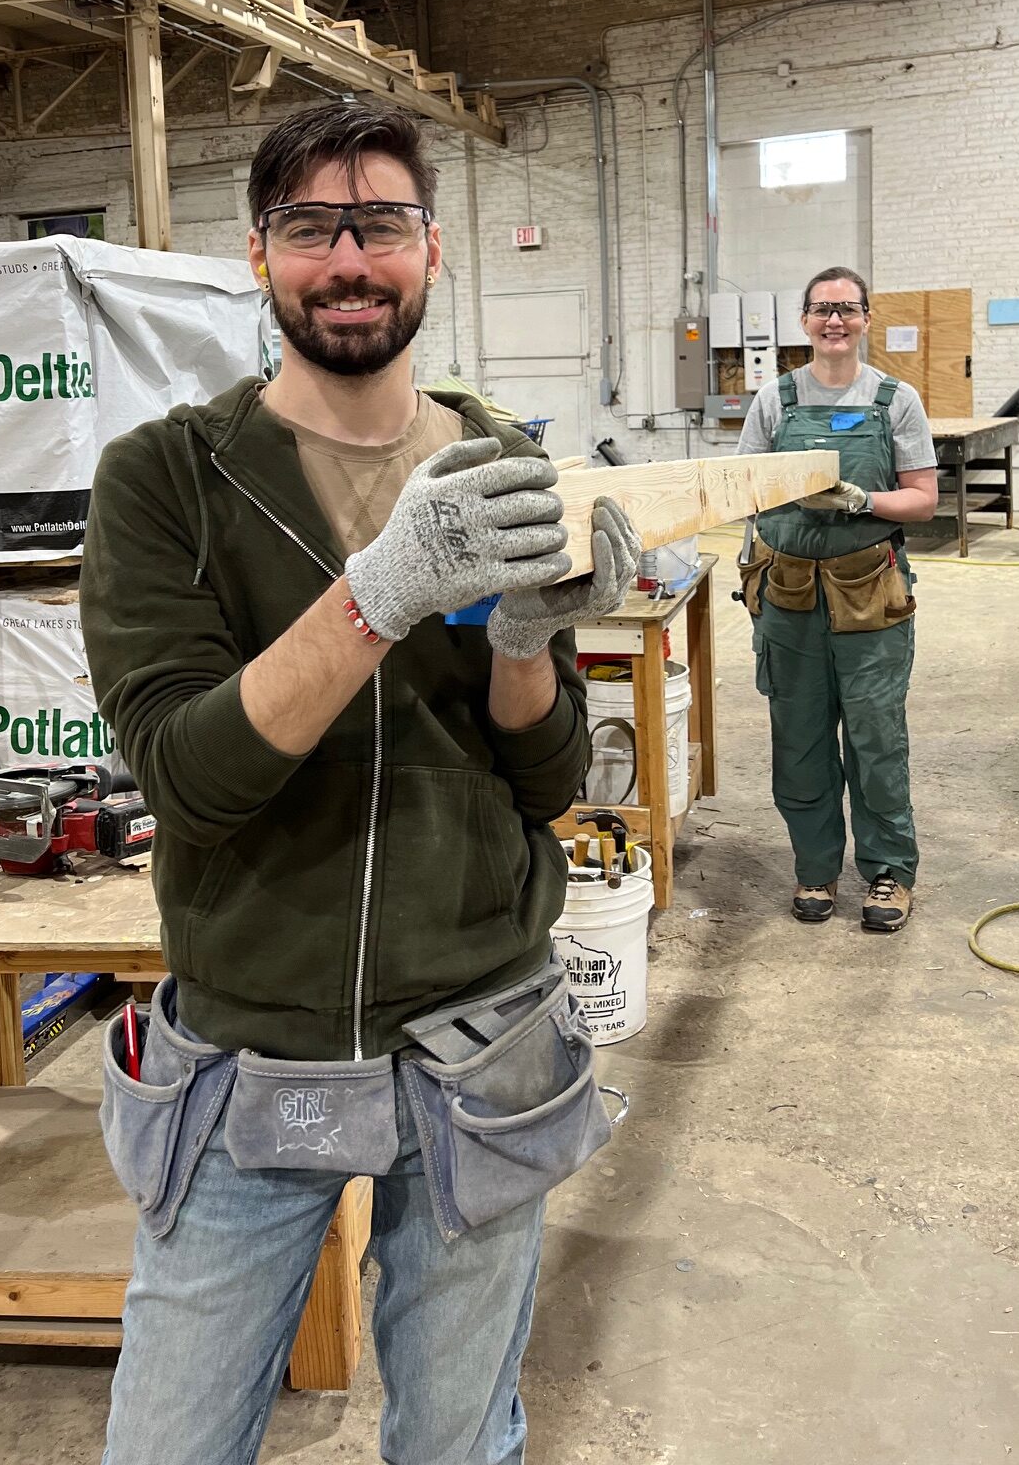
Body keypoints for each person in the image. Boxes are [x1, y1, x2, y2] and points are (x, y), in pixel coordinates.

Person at [81, 101, 641, 1465]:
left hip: (482, 1039)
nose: (349, 259)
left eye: (379, 225)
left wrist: (528, 643)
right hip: (251, 1043)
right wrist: (381, 590)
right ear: (260, 254)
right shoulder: (170, 481)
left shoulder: (498, 459)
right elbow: (188, 777)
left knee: (458, 1441)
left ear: (432, 250)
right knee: (171, 1442)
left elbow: (548, 778)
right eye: (310, 228)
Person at [736, 267, 939, 933]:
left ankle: (888, 873)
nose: (834, 321)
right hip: (791, 597)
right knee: (799, 739)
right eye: (822, 309)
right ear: (804, 321)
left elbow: (923, 498)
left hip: (869, 599)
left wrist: (862, 499)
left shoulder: (894, 401)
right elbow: (745, 489)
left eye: (846, 310)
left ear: (866, 319)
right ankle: (814, 867)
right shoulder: (775, 400)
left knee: (876, 738)